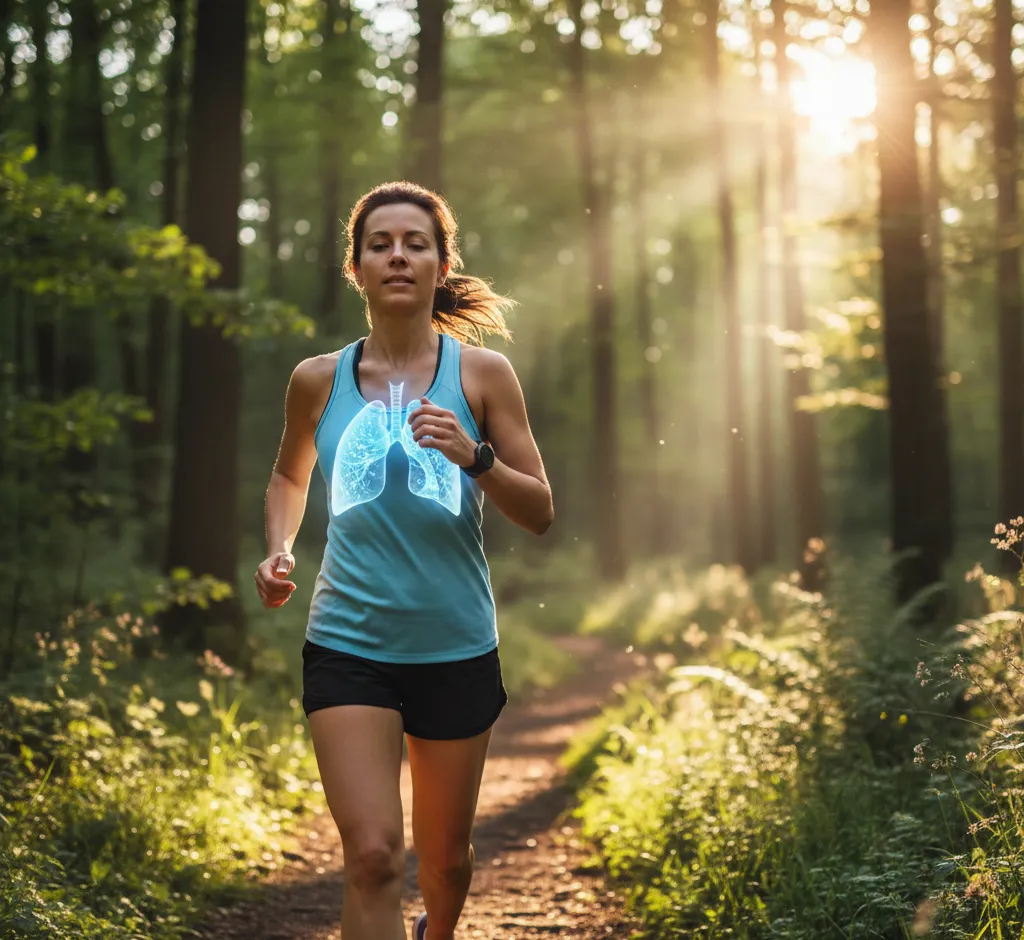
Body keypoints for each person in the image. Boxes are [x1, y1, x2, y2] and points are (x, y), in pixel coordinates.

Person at [253, 181, 553, 940]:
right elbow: (291, 474)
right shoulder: (317, 380)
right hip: (348, 646)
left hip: (456, 645)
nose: (397, 255)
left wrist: (474, 456)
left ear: (440, 264)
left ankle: (439, 932)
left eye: (415, 243)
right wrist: (280, 548)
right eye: (379, 243)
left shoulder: (483, 377)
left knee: (444, 864)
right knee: (375, 856)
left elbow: (540, 511)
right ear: (355, 266)